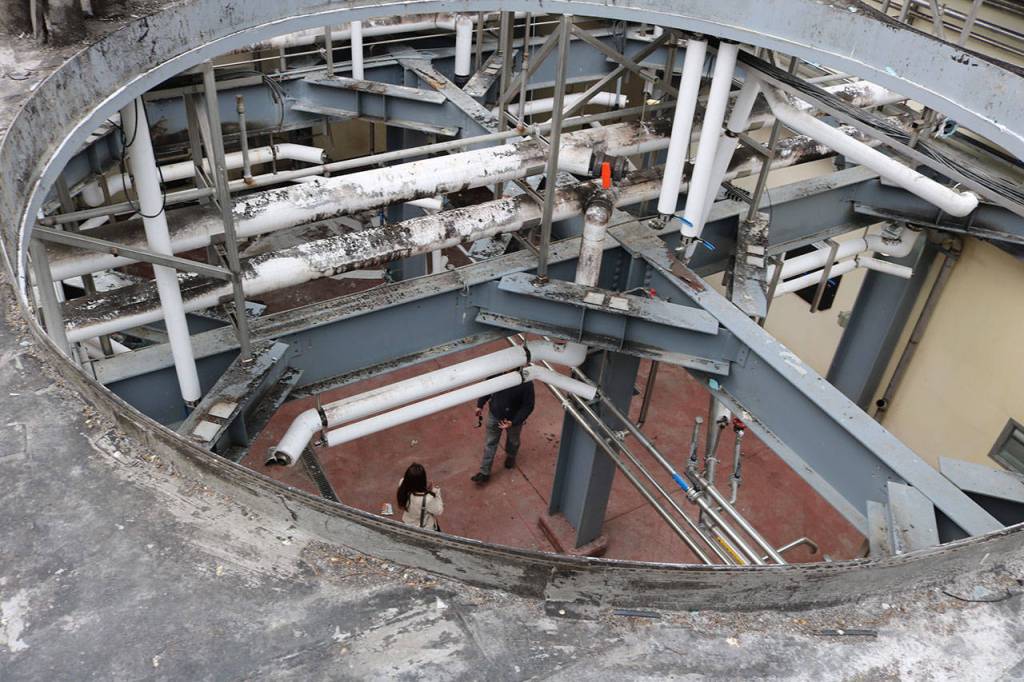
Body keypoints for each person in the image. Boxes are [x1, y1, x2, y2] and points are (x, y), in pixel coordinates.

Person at [471, 380, 535, 484]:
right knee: (490, 443)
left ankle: (511, 456)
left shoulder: (526, 383)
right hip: (495, 415)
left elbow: (528, 406)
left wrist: (514, 422)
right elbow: (487, 389)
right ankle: (484, 472)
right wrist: (480, 405)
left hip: (513, 420)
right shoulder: (497, 374)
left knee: (513, 440)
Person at [396, 463, 443, 531]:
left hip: (407, 523)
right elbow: (439, 511)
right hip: (424, 528)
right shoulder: (428, 499)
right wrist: (435, 491)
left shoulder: (402, 484)